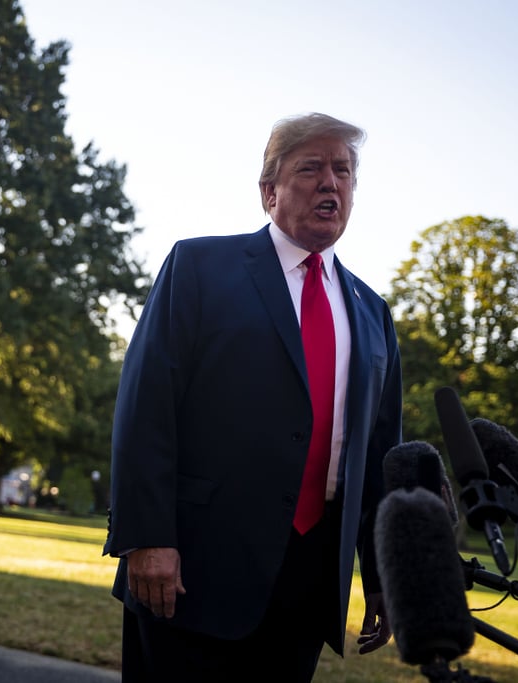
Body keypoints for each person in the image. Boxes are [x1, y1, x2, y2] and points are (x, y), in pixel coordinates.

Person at [104, 112, 403, 681]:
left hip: (310, 584)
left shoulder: (373, 313)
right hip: (191, 571)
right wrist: (146, 539)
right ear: (269, 191)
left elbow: (381, 456)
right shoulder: (198, 266)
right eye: (311, 168)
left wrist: (386, 574)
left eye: (343, 171)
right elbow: (145, 407)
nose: (330, 183)